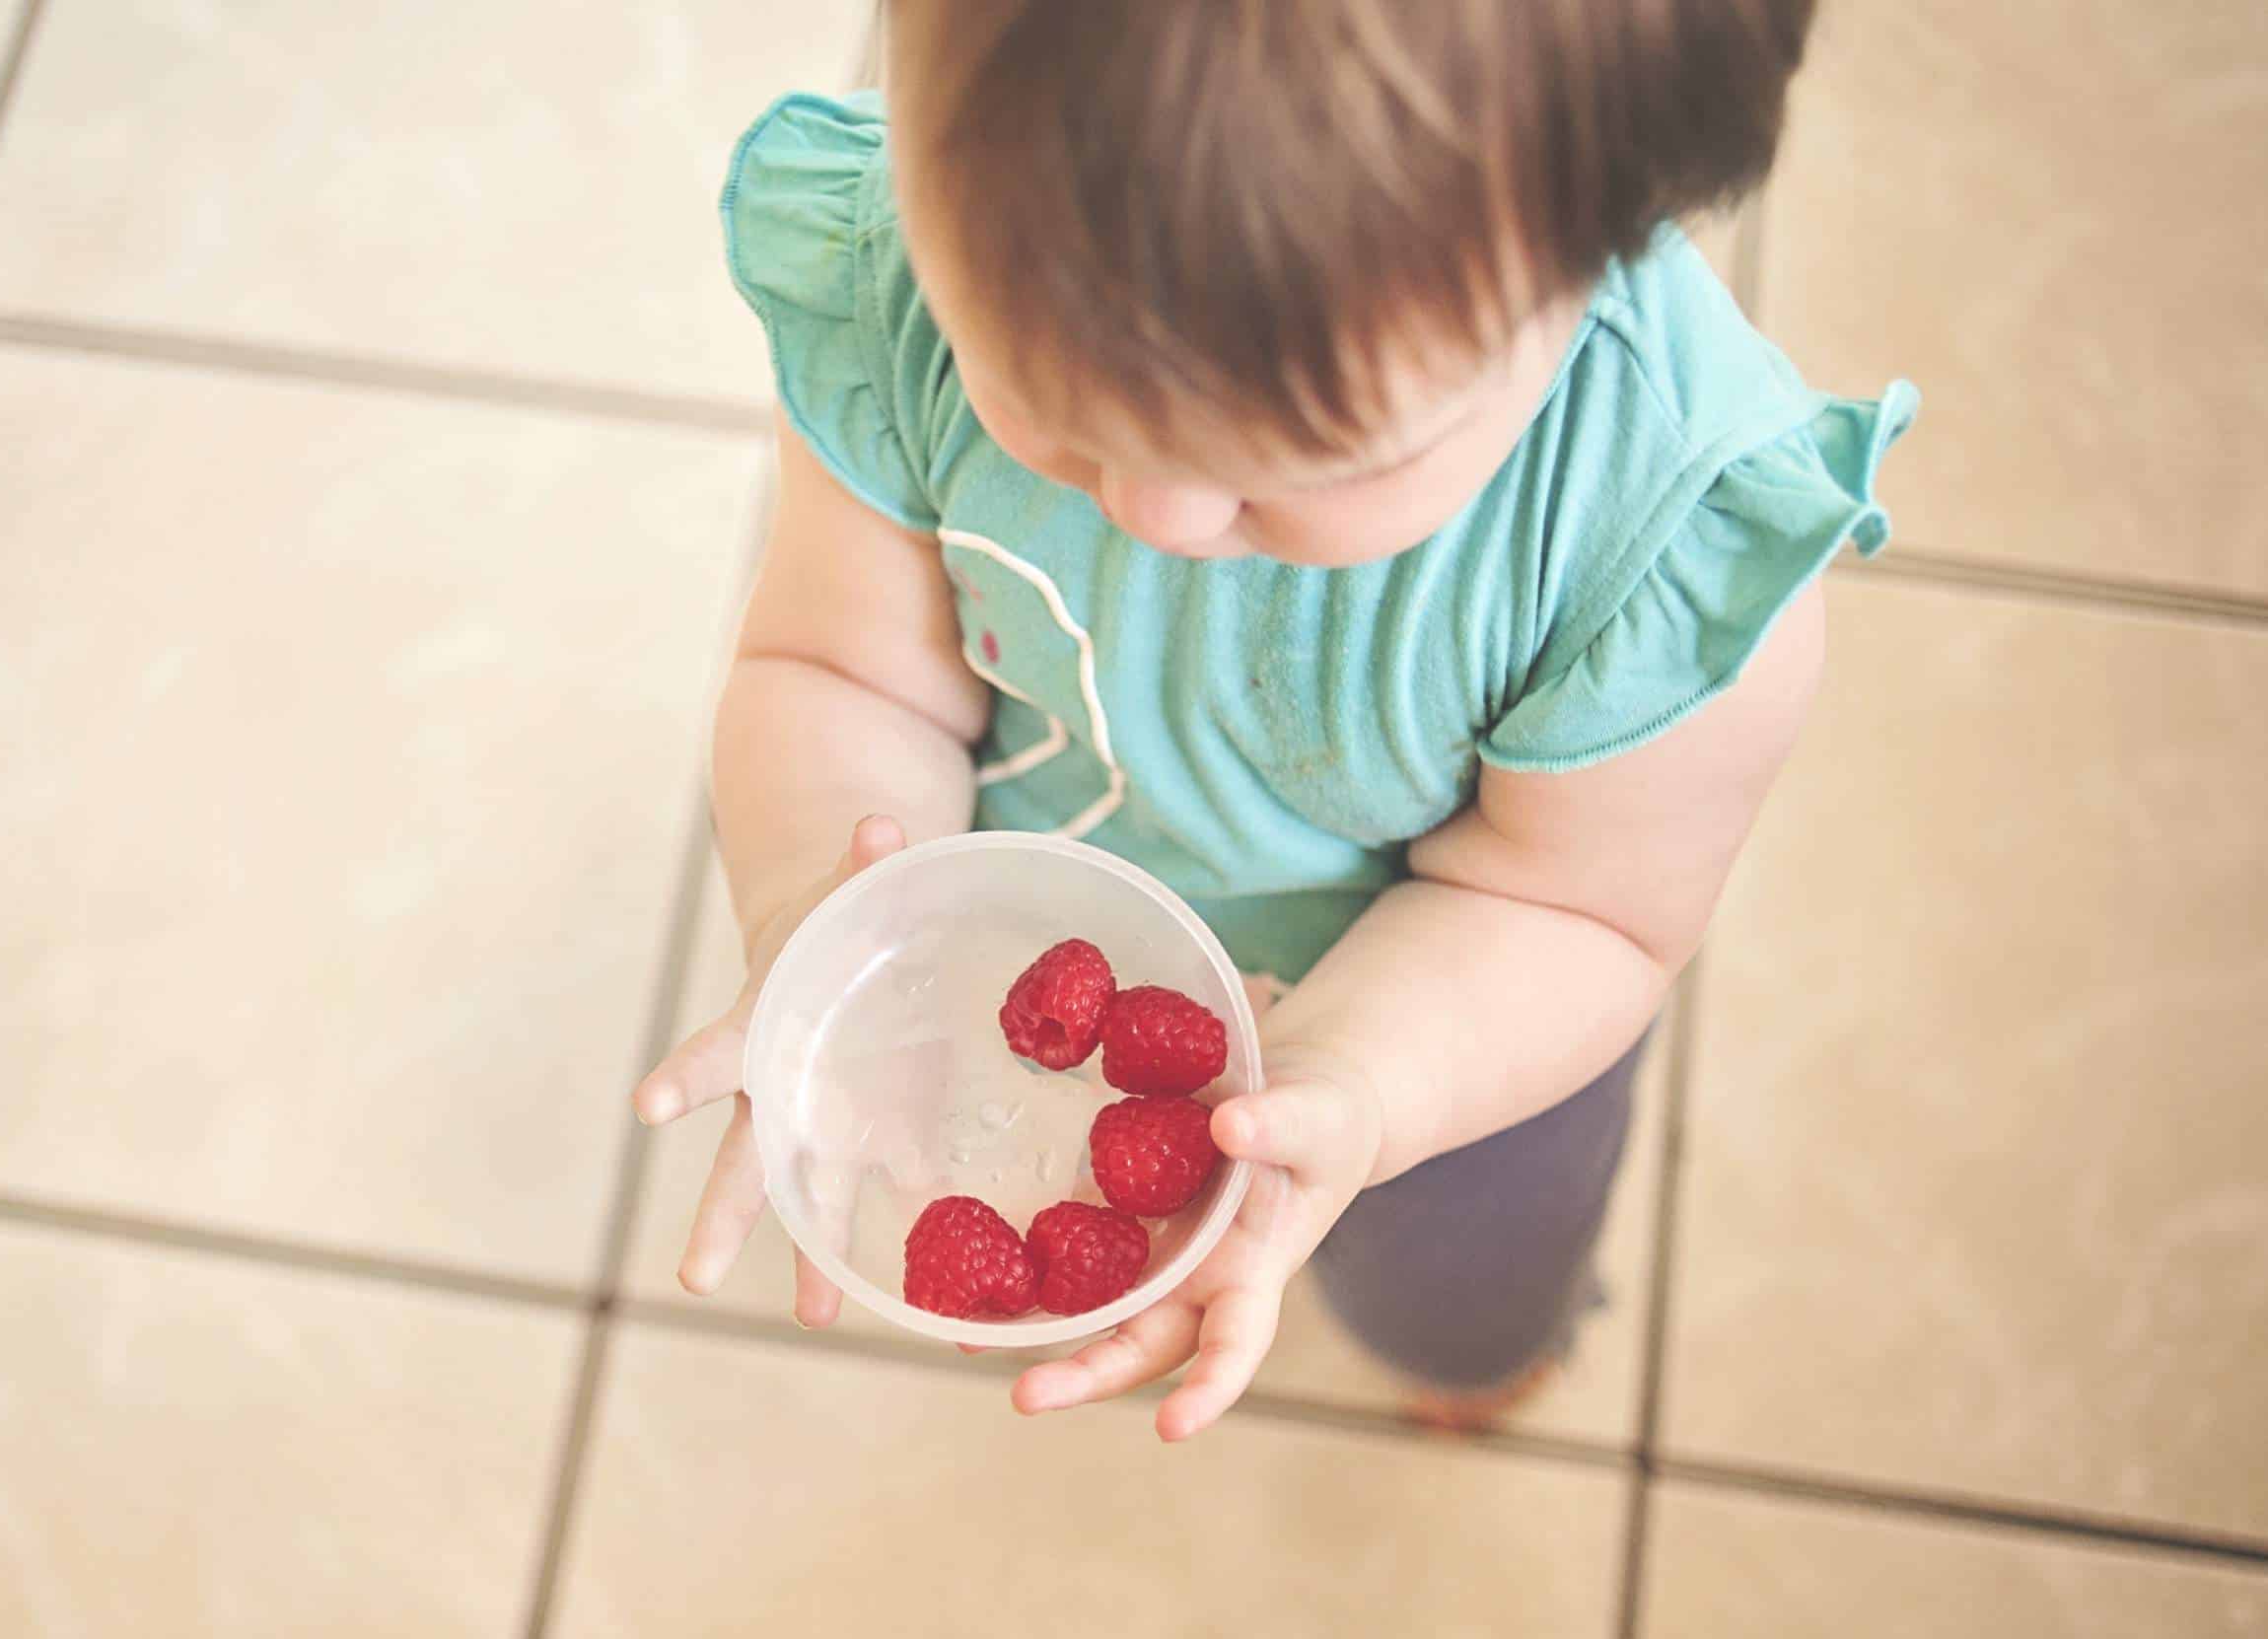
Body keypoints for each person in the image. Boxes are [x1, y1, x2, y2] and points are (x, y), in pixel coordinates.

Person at [632, 0, 1914, 1442]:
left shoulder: (1657, 538)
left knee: (1458, 1280)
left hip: (1451, 1026)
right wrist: (825, 918)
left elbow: (1583, 909)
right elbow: (845, 672)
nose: (1157, 513)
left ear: (1605, 245)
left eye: (1290, 469)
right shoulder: (914, 281)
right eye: (1051, 405)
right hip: (1051, 936)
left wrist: (1360, 1087)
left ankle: (1477, 1355)